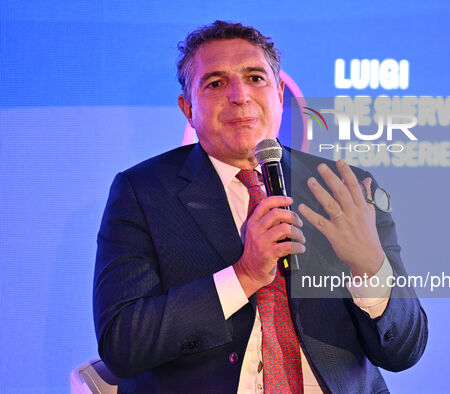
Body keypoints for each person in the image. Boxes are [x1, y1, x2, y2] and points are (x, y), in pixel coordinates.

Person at [93, 20, 427, 393]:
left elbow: (405, 350)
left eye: (255, 78)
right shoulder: (142, 192)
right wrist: (244, 275)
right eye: (216, 83)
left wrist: (370, 268)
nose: (240, 96)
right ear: (187, 108)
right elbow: (121, 345)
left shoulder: (343, 188)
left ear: (280, 94)